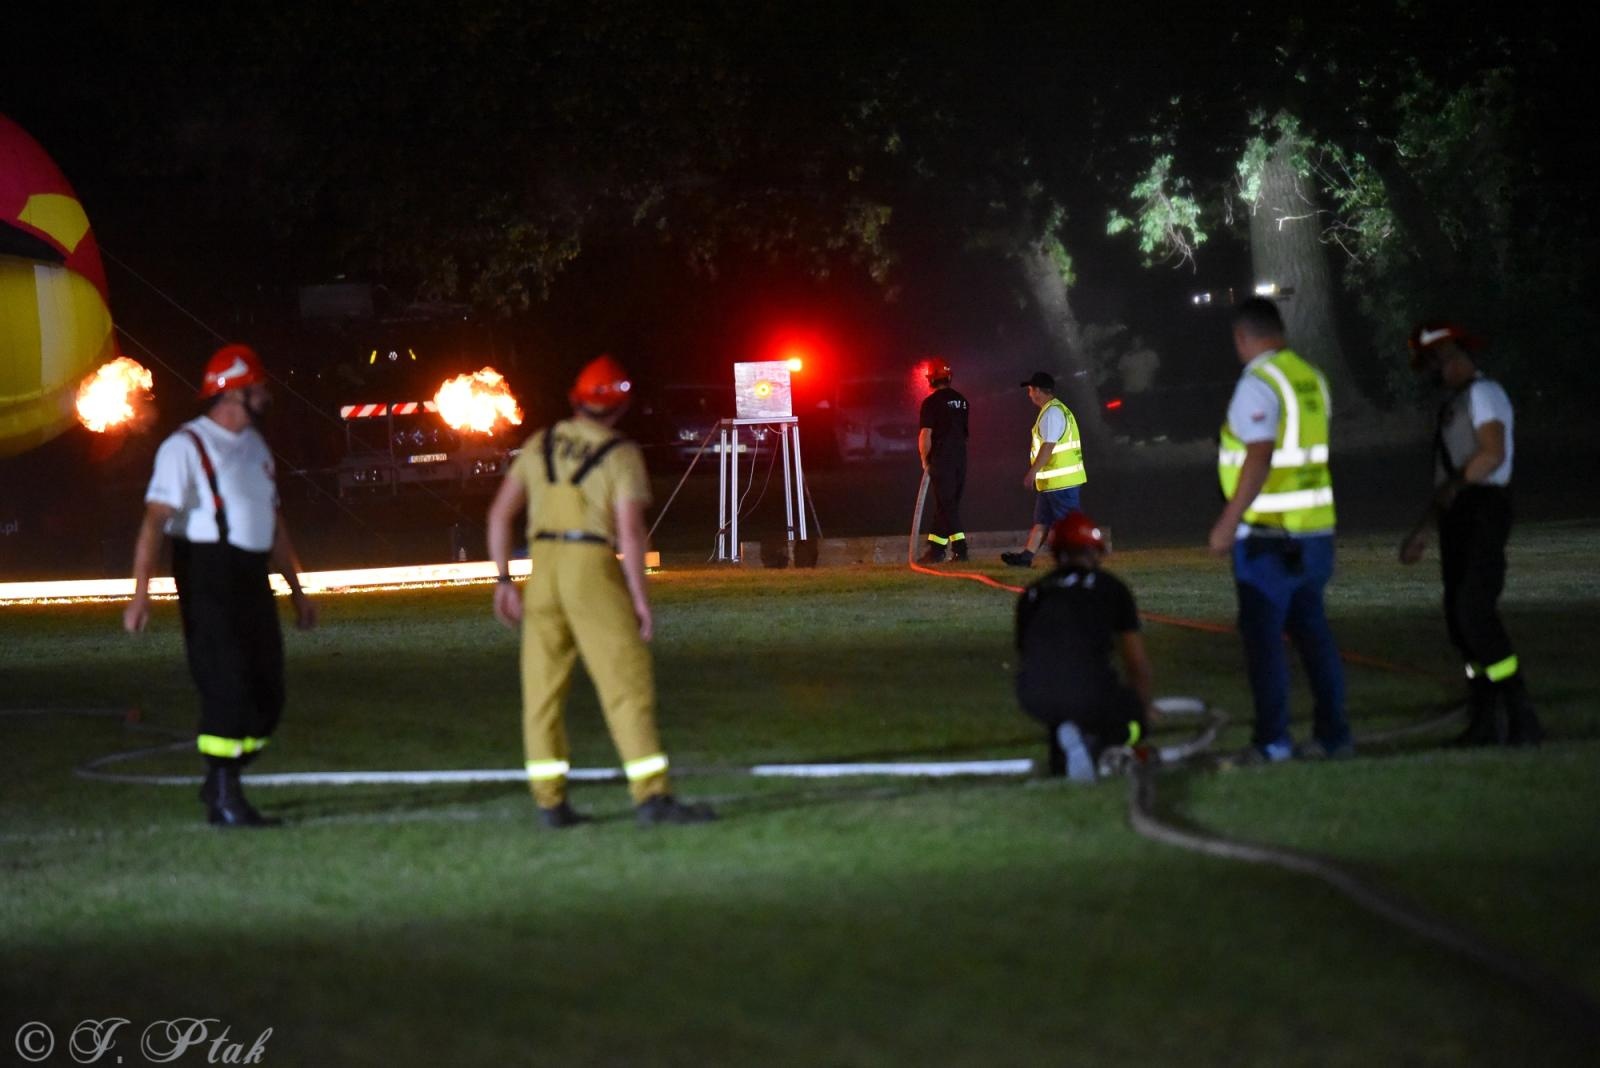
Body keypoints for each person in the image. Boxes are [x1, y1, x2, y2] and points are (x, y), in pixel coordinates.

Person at [487, 354, 715, 828]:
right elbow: (630, 534)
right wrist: (639, 599)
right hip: (589, 568)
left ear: (577, 399)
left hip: (541, 570)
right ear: (620, 407)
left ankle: (550, 803)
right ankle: (651, 797)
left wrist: (504, 580)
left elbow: (498, 515)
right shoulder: (621, 455)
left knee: (541, 694)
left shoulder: (539, 443)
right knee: (625, 685)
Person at [123, 343, 318, 827]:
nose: (267, 394)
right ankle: (227, 797)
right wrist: (141, 594)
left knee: (268, 691)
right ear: (235, 393)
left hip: (252, 576)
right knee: (226, 682)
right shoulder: (184, 447)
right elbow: (153, 523)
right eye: (259, 387)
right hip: (207, 575)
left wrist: (297, 589)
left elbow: (274, 522)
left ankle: (220, 778)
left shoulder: (255, 446)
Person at [1207, 298, 1352, 763]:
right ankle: (1334, 737)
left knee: (1265, 643)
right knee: (1314, 636)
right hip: (1315, 532)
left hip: (1270, 537)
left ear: (1242, 338)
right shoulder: (1311, 378)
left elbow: (1260, 453)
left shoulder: (1259, 383)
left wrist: (1228, 521)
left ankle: (1272, 742)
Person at [1399, 322, 1541, 746]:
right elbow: (1449, 475)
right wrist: (1425, 528)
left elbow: (1492, 453)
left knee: (1474, 610)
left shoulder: (1484, 394)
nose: (1431, 373)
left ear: (1450, 356)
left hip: (1483, 508)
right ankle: (1484, 716)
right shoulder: (1457, 402)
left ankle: (1519, 713)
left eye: (1433, 363)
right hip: (1460, 512)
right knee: (1459, 619)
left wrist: (1458, 491)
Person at [1014, 512, 1154, 781]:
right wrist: (1142, 706)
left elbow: (1025, 652)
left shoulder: (1033, 592)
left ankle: (1066, 751)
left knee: (1065, 723)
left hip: (1034, 695)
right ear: (1094, 551)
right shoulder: (1111, 588)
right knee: (1135, 723)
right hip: (1089, 689)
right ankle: (1110, 749)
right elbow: (1136, 663)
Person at [1001, 371, 1087, 568]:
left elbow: (1048, 446)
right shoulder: (1055, 410)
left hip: (1060, 483)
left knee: (1068, 525)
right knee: (1042, 522)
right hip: (1052, 483)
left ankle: (1079, 559)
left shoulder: (1051, 413)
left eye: (1031, 390)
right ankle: (1026, 557)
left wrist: (1031, 473)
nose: (1029, 394)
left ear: (1039, 391)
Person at [916, 356, 970, 563]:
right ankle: (937, 550)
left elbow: (925, 435)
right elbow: (964, 434)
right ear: (949, 377)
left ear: (930, 380)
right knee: (946, 504)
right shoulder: (963, 401)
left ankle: (961, 548)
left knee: (947, 504)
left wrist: (925, 459)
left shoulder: (930, 403)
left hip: (941, 458)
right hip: (960, 458)